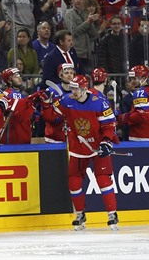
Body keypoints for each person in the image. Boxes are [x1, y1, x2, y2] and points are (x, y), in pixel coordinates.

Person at [43, 75, 119, 231]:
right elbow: (51, 117)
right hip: (78, 147)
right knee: (74, 182)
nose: (73, 91)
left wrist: (106, 141)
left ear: (85, 89)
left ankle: (112, 214)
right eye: (71, 88)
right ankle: (80, 214)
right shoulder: (66, 101)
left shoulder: (99, 102)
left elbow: (110, 124)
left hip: (97, 145)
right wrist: (45, 104)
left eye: (76, 88)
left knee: (103, 180)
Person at [117, 65, 149, 141]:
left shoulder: (140, 92)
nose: (132, 81)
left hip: (142, 136)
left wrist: (124, 118)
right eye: (131, 78)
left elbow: (142, 115)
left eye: (134, 78)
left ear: (144, 78)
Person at [64, 0, 101, 74]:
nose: (78, 1)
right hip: (76, 52)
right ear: (72, 1)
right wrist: (88, 22)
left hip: (87, 53)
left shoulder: (85, 14)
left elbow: (94, 35)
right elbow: (73, 32)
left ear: (84, 1)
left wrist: (91, 22)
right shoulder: (69, 14)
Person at [41, 63, 75, 143]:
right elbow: (46, 116)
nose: (69, 75)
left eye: (71, 73)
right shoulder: (51, 91)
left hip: (73, 137)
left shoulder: (77, 91)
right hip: (54, 137)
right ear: (60, 75)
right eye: (66, 73)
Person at [0, 67, 34, 144]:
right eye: (16, 76)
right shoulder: (12, 94)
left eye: (19, 76)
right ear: (9, 80)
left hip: (21, 132)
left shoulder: (20, 93)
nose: (19, 78)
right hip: (16, 134)